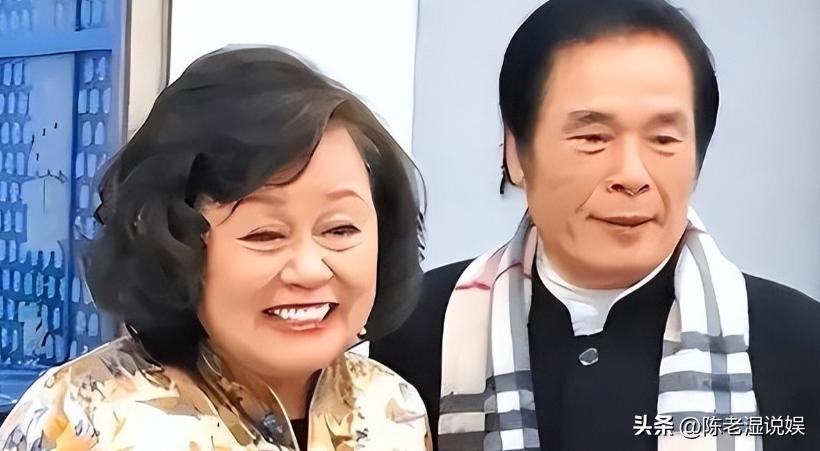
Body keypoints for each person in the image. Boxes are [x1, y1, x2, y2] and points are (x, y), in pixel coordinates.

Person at [371, 1, 820, 450]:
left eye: (664, 139)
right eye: (593, 138)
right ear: (515, 150)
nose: (632, 176)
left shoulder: (799, 343)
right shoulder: (410, 330)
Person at [0, 46, 431, 450]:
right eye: (265, 235)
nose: (310, 269)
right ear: (173, 243)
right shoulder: (83, 420)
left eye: (340, 229)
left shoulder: (392, 410)